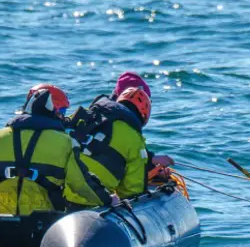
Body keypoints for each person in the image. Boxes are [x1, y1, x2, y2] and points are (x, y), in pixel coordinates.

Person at [0, 84, 110, 216]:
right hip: (43, 225)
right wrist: (108, 200)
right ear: (53, 112)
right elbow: (81, 184)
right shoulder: (65, 142)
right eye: (62, 113)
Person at [68, 71, 174, 199]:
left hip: (56, 192)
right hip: (89, 200)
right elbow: (131, 191)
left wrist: (149, 163)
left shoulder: (87, 116)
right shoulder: (133, 137)